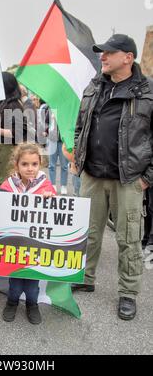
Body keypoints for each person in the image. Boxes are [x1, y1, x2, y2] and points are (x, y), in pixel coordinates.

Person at [73, 34, 153, 320]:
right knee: (87, 233)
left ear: (127, 57)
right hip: (93, 176)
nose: (102, 57)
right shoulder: (94, 86)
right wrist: (78, 157)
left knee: (129, 238)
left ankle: (128, 293)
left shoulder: (147, 91)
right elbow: (80, 125)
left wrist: (147, 178)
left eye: (108, 53)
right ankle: (85, 277)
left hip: (129, 178)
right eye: (101, 53)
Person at [0, 143, 56, 324]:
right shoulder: (7, 186)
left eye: (34, 164)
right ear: (16, 165)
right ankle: (12, 302)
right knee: (15, 283)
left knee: (32, 284)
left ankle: (32, 304)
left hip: (36, 246)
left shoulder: (46, 186)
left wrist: (51, 199)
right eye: (25, 164)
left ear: (40, 164)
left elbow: (57, 215)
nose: (30, 168)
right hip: (15, 246)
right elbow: (1, 212)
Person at [48, 125, 69, 195]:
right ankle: (52, 185)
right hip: (52, 140)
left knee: (64, 166)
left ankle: (63, 185)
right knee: (51, 165)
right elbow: (45, 121)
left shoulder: (67, 114)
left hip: (64, 141)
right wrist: (46, 130)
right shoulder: (52, 113)